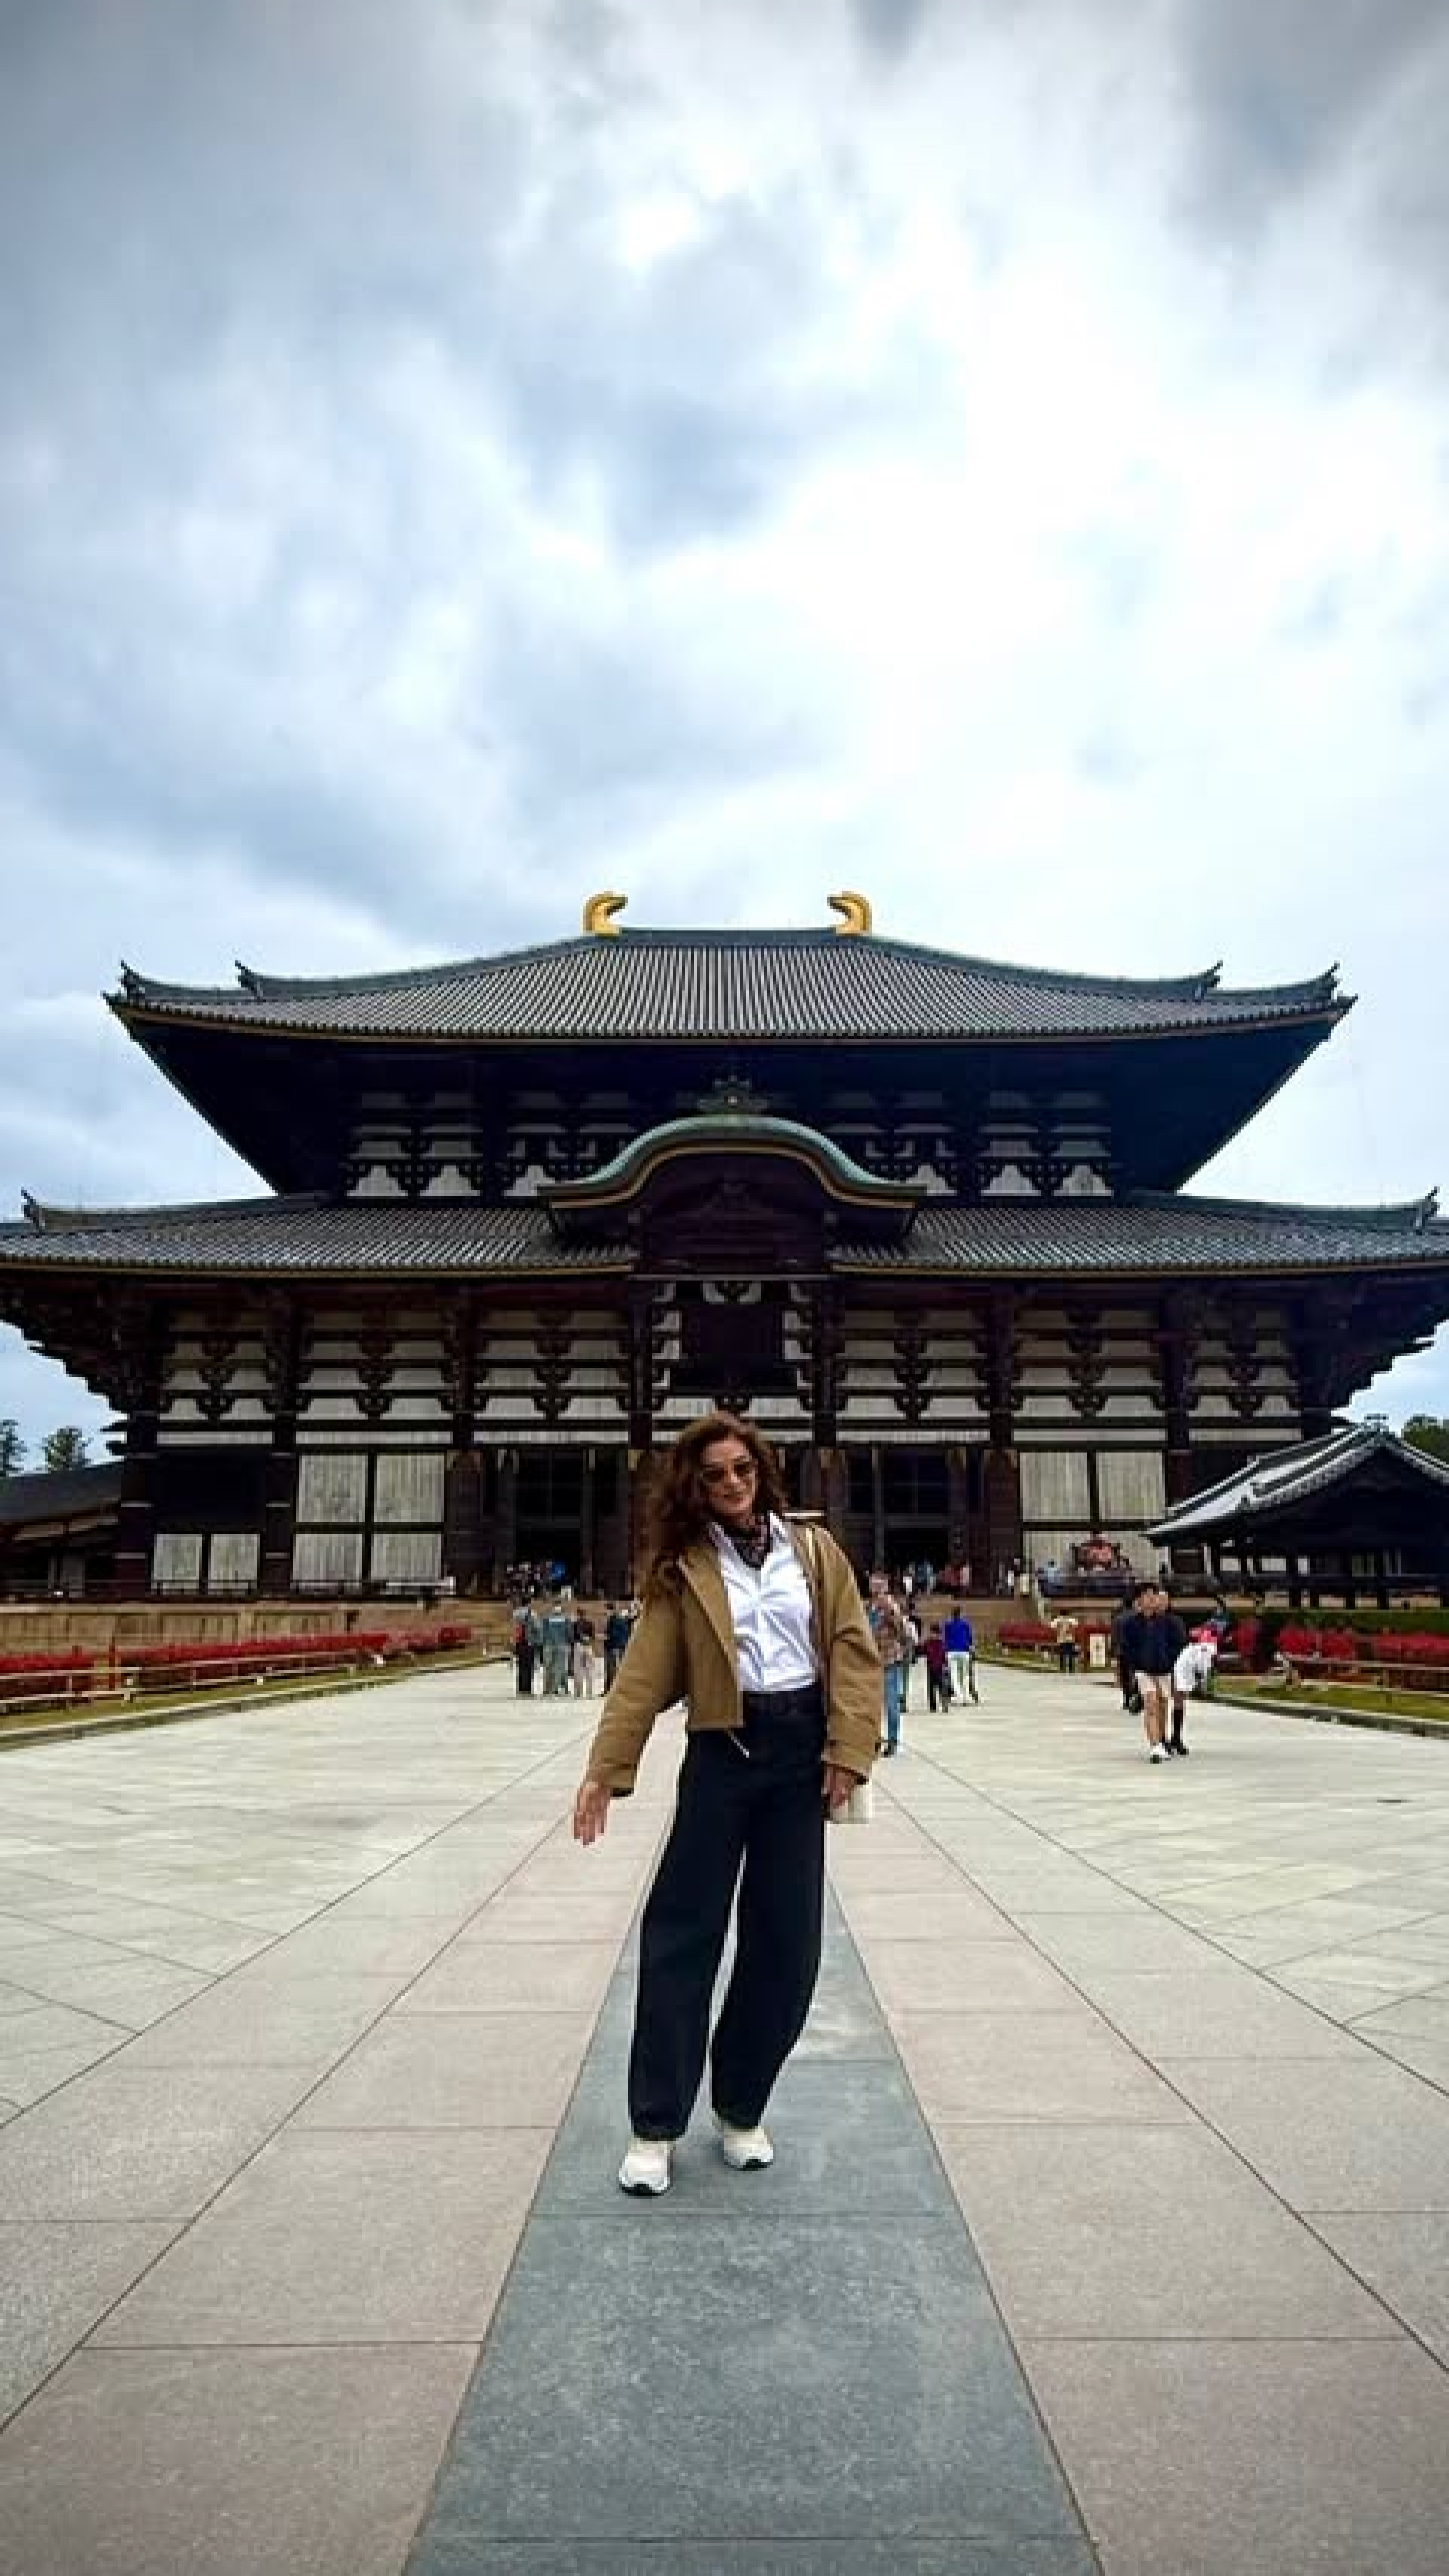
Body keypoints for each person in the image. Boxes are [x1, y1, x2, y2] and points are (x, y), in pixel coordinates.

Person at [571, 1411, 879, 2197]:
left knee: (787, 1944)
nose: (733, 1483)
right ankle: (655, 2124)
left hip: (798, 1758)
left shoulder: (812, 1550)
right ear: (695, 1486)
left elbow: (851, 1646)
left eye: (743, 1467)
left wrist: (849, 1750)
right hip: (723, 1753)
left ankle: (741, 2105)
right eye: (715, 1473)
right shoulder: (685, 1567)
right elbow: (643, 1674)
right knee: (683, 1932)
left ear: (762, 1469)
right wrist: (606, 1770)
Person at [1118, 1583, 1187, 1762]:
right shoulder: (1131, 1624)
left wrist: (1169, 1661)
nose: (1151, 1599)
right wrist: (1137, 1665)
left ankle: (1162, 1740)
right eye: (1147, 1596)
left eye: (1154, 1596)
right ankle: (1155, 1746)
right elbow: (1126, 1649)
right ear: (1140, 1600)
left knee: (1163, 1705)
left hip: (1164, 1670)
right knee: (1150, 1703)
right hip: (1144, 1671)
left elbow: (1178, 1645)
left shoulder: (1168, 1622)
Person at [866, 1573, 909, 1753]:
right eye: (873, 1585)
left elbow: (901, 1630)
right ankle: (875, 1738)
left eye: (879, 1585)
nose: (875, 1589)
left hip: (889, 1659)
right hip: (871, 1660)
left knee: (890, 1702)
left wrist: (890, 1611)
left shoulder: (891, 1606)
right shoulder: (869, 1607)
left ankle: (892, 1740)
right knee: (872, 1704)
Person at [1169, 1630, 1217, 1756]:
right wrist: (1203, 1685)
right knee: (1177, 1703)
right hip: (1181, 1673)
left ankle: (1176, 1737)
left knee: (1179, 1703)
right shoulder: (1205, 1649)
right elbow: (1202, 1669)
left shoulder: (1195, 1649)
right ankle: (1174, 1738)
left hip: (1183, 1672)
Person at [942, 1600, 979, 1704]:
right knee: (965, 1676)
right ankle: (966, 1696)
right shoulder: (966, 1624)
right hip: (964, 1651)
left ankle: (959, 1696)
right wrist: (972, 1649)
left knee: (954, 1676)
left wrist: (944, 1651)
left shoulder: (948, 1624)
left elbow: (945, 1639)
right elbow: (970, 1638)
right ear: (961, 1614)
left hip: (952, 1652)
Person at [540, 1599, 571, 1697]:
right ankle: (555, 1689)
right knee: (559, 1668)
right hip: (561, 1645)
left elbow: (543, 1633)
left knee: (548, 1668)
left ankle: (547, 1689)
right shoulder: (566, 1619)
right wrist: (568, 1644)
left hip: (549, 1646)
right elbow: (568, 1633)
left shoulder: (546, 1618)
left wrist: (543, 1644)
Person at [921, 1622, 952, 1710]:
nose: (932, 1635)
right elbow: (923, 1651)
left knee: (941, 1686)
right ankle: (933, 1706)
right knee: (931, 1687)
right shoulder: (929, 1643)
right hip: (931, 1667)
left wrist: (945, 1665)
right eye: (932, 1633)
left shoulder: (939, 1643)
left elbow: (944, 1655)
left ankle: (944, 1703)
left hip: (939, 1667)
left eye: (934, 1633)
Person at [603, 1601, 632, 1689]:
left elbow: (614, 1634)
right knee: (615, 1668)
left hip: (614, 1647)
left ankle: (611, 1688)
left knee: (612, 1668)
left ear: (611, 1610)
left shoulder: (614, 1620)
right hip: (619, 1647)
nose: (606, 1612)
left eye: (607, 1610)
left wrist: (607, 1637)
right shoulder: (622, 1620)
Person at [571, 1609, 597, 1696]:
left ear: (578, 1615)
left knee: (578, 1670)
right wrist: (587, 1639)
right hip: (588, 1647)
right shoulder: (590, 1623)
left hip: (578, 1647)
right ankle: (589, 1692)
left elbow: (572, 1637)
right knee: (589, 1670)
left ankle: (578, 1692)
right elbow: (593, 1636)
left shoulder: (574, 1624)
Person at [512, 1604, 537, 1697]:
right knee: (529, 1667)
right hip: (529, 1645)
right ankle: (528, 1689)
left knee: (522, 1667)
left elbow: (515, 1631)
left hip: (521, 1645)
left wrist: (515, 1644)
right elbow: (537, 1630)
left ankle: (521, 1688)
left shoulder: (516, 1615)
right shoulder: (533, 1615)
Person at [1051, 1610, 1079, 1676]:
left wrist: (1058, 1631)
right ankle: (1070, 1669)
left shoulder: (1058, 1620)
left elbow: (1052, 1626)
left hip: (1061, 1639)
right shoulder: (1071, 1620)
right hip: (1070, 1639)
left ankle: (1062, 1668)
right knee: (1070, 1653)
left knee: (1061, 1653)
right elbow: (1075, 1626)